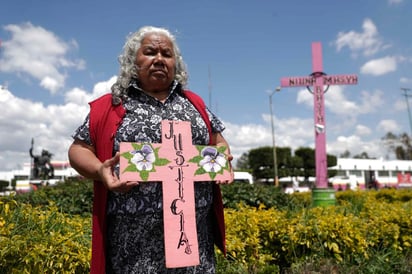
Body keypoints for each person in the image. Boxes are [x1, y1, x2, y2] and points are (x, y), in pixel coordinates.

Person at [68, 26, 233, 274]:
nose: (159, 59)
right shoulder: (111, 105)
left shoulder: (194, 103)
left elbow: (218, 140)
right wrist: (99, 171)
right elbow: (78, 149)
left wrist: (222, 158)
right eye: (150, 52)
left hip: (193, 240)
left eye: (166, 54)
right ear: (133, 60)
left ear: (175, 64)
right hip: (132, 247)